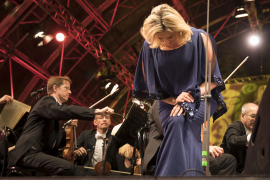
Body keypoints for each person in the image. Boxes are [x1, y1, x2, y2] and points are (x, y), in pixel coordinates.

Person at [132, 4, 227, 176]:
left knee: (179, 123)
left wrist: (189, 96)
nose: (166, 42)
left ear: (179, 29)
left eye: (170, 36)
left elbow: (212, 81)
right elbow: (153, 88)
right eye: (161, 39)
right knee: (177, 122)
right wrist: (176, 100)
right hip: (168, 102)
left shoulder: (200, 38)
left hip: (202, 97)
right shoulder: (150, 45)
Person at [8, 76, 114, 176]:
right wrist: (96, 112)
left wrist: (69, 129)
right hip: (27, 152)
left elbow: (55, 143)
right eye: (66, 88)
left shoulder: (53, 112)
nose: (70, 92)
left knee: (82, 172)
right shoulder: (45, 102)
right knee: (67, 168)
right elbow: (66, 110)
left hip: (37, 153)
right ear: (55, 88)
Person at [142, 101, 236, 176]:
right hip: (166, 153)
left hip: (187, 149)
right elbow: (173, 134)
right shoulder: (160, 103)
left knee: (228, 160)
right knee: (213, 163)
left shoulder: (184, 103)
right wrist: (203, 149)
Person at [220, 103, 258, 173]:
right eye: (253, 116)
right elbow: (232, 142)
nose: (255, 120)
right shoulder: (235, 126)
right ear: (242, 116)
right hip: (232, 172)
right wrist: (252, 137)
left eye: (258, 117)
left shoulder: (260, 130)